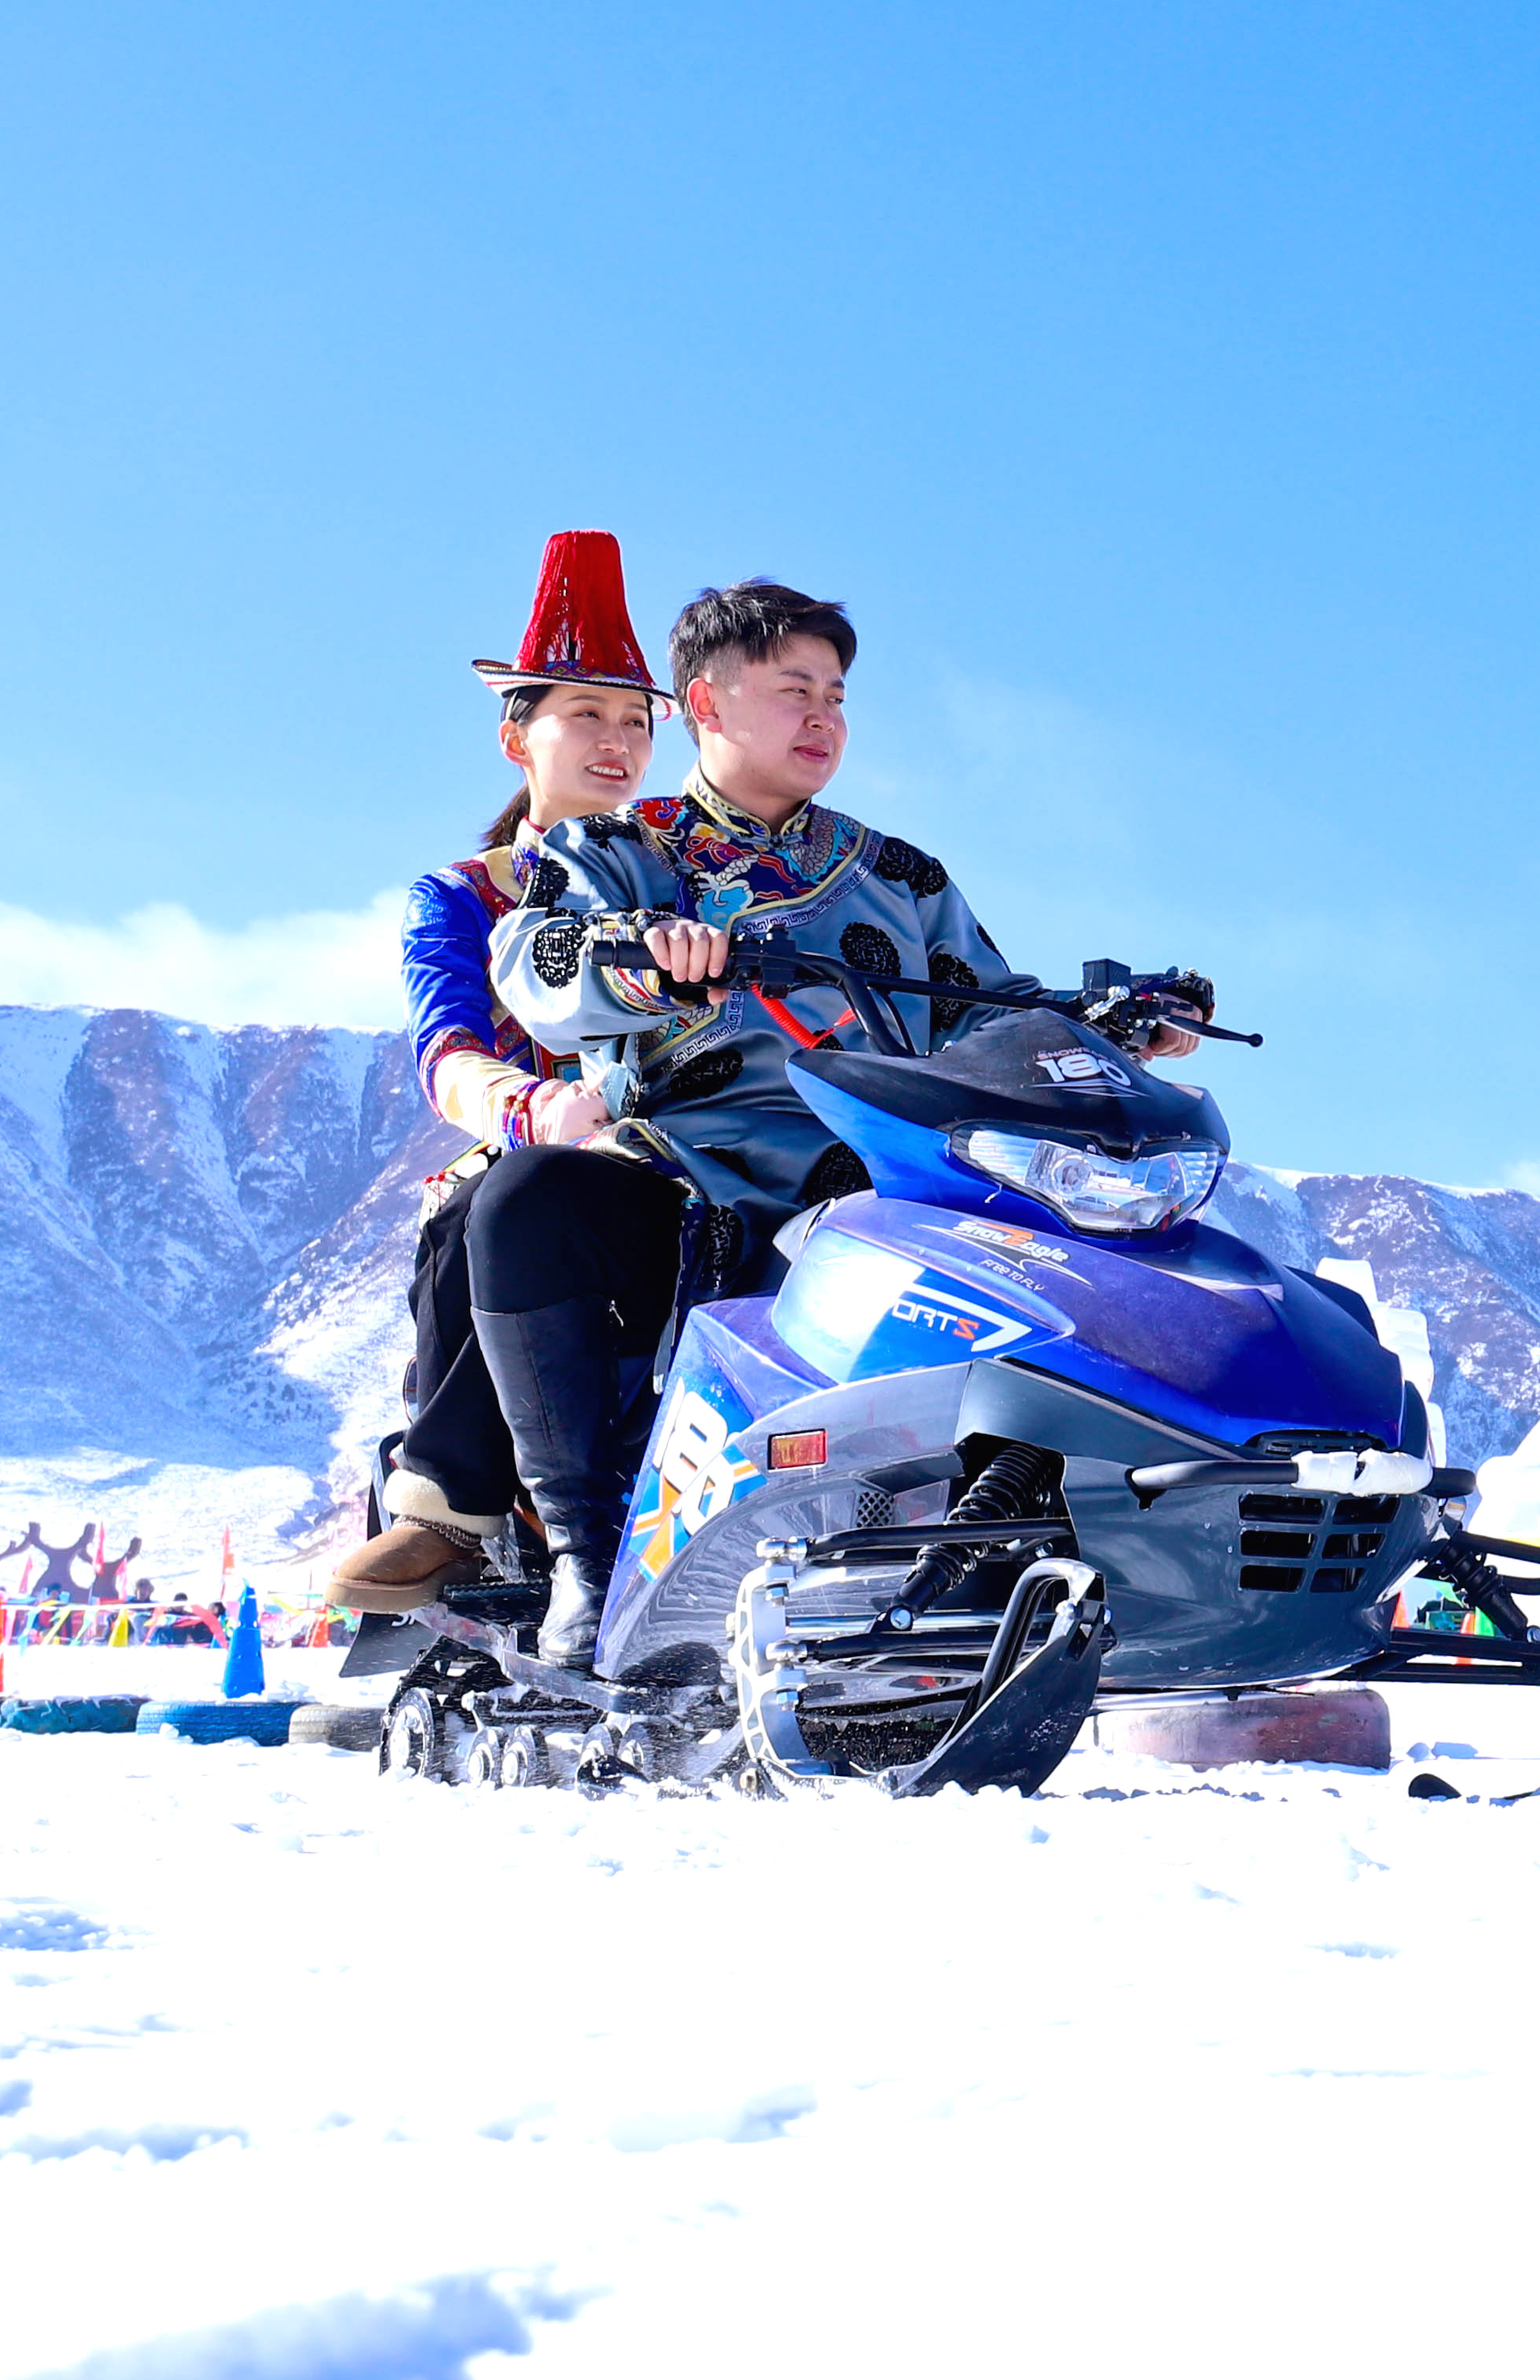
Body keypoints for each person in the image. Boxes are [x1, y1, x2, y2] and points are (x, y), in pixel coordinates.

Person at [483, 581, 1201, 1665]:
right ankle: (587, 1555)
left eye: (836, 695)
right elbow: (537, 963)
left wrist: (1113, 1024)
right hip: (681, 1163)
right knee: (526, 1201)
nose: (824, 718)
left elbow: (987, 1015)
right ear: (709, 706)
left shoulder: (901, 877)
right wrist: (640, 959)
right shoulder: (619, 848)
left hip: (872, 1168)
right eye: (794, 691)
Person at [318, 531, 669, 1614]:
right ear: (517, 733)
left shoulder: (696, 867)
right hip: (547, 1149)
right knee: (496, 1209)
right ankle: (455, 1505)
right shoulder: (469, 894)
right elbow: (449, 1049)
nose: (617, 744)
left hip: (689, 1147)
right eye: (587, 715)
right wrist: (529, 1108)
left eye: (637, 722)